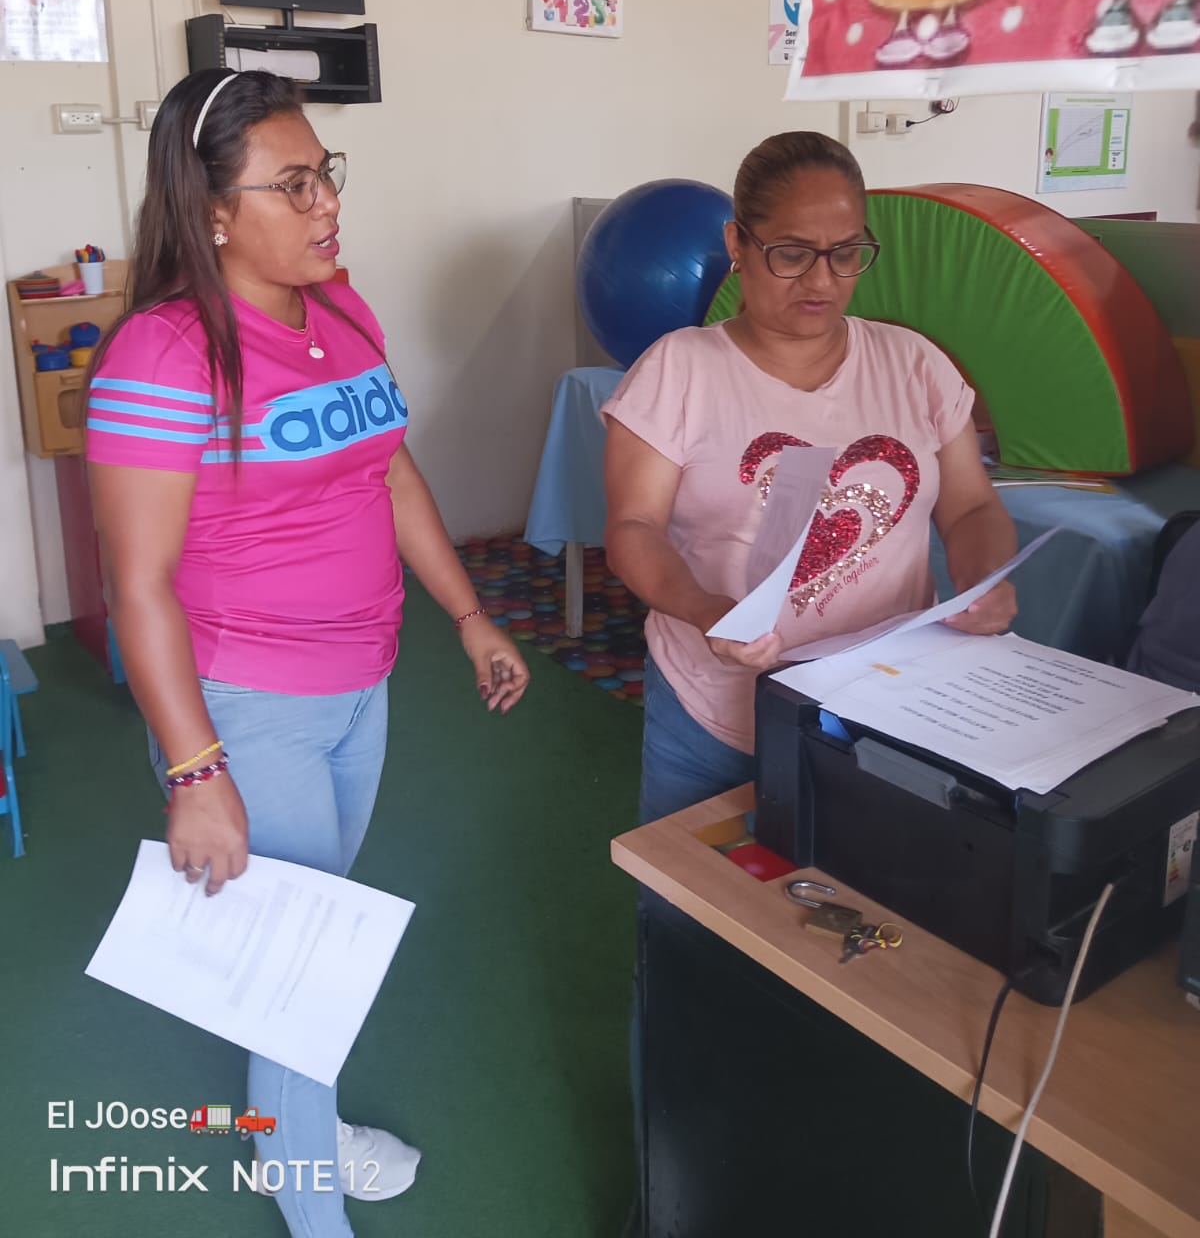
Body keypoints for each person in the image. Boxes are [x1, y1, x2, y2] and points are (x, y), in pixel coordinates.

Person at [85, 68, 530, 1238]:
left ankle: (295, 1130)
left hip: (361, 684)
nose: (327, 202)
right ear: (213, 212)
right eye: (292, 185)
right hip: (247, 703)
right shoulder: (162, 355)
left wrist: (468, 614)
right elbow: (136, 586)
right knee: (303, 979)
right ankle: (309, 1197)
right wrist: (196, 769)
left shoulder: (340, 307)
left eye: (325, 173)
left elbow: (390, 468)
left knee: (305, 937)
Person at [603, 130, 1017, 826]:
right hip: (718, 708)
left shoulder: (913, 364)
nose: (823, 282)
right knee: (693, 886)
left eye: (846, 253)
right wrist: (705, 610)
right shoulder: (679, 370)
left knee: (862, 883)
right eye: (792, 254)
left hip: (877, 703)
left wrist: (984, 583)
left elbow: (971, 507)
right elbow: (632, 528)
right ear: (737, 244)